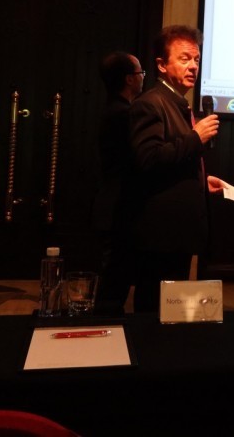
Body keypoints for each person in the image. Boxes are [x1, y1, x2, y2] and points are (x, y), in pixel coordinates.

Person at [128, 25, 223, 312]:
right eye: (184, 59)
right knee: (153, 311)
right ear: (162, 64)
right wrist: (196, 137)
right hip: (160, 235)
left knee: (171, 312)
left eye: (196, 59)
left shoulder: (178, 104)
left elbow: (174, 160)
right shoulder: (150, 103)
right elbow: (148, 159)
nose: (193, 66)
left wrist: (200, 181)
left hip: (177, 234)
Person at [93, 51, 145, 310]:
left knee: (115, 276)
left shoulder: (113, 109)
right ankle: (106, 326)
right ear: (129, 79)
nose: (143, 77)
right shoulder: (124, 114)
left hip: (112, 204)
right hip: (120, 208)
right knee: (114, 282)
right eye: (140, 73)